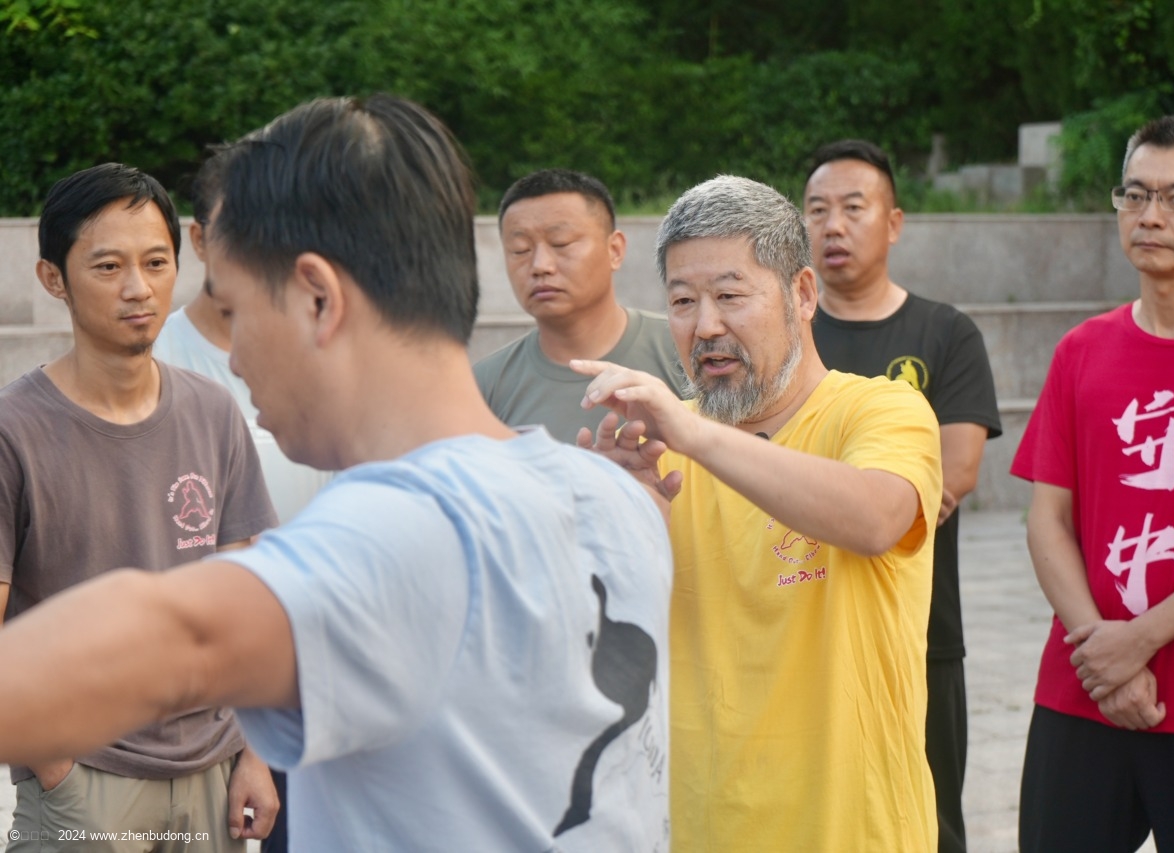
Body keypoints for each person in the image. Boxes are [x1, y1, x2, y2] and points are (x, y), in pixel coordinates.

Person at [0, 95, 673, 853]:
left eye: (237, 311)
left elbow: (172, 641)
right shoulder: (618, 498)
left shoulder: (380, 545)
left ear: (318, 298)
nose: (234, 358)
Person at [574, 175, 943, 851]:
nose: (705, 326)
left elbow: (875, 518)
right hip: (696, 826)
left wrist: (695, 435)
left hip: (849, 829)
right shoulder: (658, 444)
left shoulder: (880, 409)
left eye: (730, 295)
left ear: (802, 294)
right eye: (682, 301)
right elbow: (596, 642)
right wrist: (617, 515)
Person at [1012, 115, 1174, 852]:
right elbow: (1046, 519)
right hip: (1082, 686)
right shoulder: (1082, 350)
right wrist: (1101, 653)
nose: (1150, 215)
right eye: (1134, 194)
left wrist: (1139, 642)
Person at [0, 163, 280, 851]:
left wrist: (255, 752)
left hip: (213, 774)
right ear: (52, 279)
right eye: (108, 266)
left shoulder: (213, 412)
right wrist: (58, 771)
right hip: (83, 780)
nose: (138, 288)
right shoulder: (12, 430)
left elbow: (245, 602)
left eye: (156, 263)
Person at [803, 139, 1001, 853]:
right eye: (817, 210)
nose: (833, 225)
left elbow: (950, 475)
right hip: (798, 623)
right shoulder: (785, 338)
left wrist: (836, 500)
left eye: (853, 208)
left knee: (928, 820)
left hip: (918, 630)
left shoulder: (945, 333)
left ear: (893, 222)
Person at [152, 155, 332, 853]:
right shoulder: (158, 359)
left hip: (319, 668)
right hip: (207, 684)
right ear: (198, 240)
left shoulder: (323, 345)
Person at [474, 168, 683, 441]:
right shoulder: (483, 387)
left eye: (561, 243)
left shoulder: (686, 349)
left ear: (615, 250)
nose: (540, 265)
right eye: (520, 250)